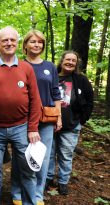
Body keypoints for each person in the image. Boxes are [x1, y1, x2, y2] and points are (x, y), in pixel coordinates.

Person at [0, 26, 42, 205]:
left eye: (12, 40)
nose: (9, 43)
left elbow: (35, 99)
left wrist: (33, 127)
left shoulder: (26, 68)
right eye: (5, 40)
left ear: (18, 43)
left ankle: (29, 202)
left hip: (21, 127)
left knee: (27, 169)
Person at [10, 29, 62, 205]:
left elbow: (56, 93)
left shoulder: (50, 67)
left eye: (40, 42)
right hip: (23, 119)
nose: (36, 45)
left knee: (43, 157)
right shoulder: (18, 65)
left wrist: (59, 117)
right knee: (22, 156)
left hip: (46, 119)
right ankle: (17, 192)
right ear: (25, 45)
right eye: (32, 41)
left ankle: (38, 194)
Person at [46, 51, 93, 195]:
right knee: (49, 154)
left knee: (66, 155)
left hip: (71, 126)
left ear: (76, 63)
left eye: (73, 60)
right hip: (49, 123)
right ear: (62, 60)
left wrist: (82, 120)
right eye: (68, 59)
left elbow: (90, 101)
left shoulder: (81, 80)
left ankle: (63, 182)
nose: (70, 62)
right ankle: (48, 179)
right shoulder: (52, 76)